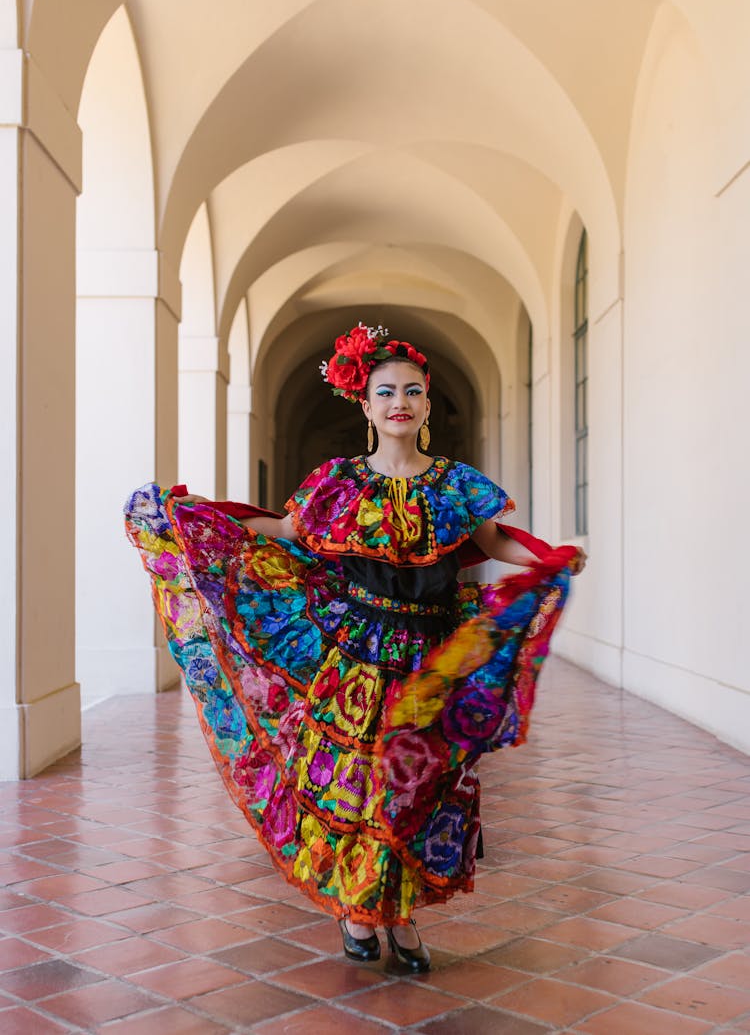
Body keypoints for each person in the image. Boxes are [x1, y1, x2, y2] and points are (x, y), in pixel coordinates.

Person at [124, 322, 584, 973]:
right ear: (365, 404)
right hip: (356, 660)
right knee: (361, 790)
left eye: (414, 391)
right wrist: (201, 518)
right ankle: (365, 911)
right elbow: (286, 528)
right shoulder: (340, 482)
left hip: (429, 659)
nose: (401, 401)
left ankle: (396, 911)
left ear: (427, 404)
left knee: (414, 787)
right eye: (387, 390)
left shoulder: (453, 483)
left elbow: (491, 538)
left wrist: (548, 556)